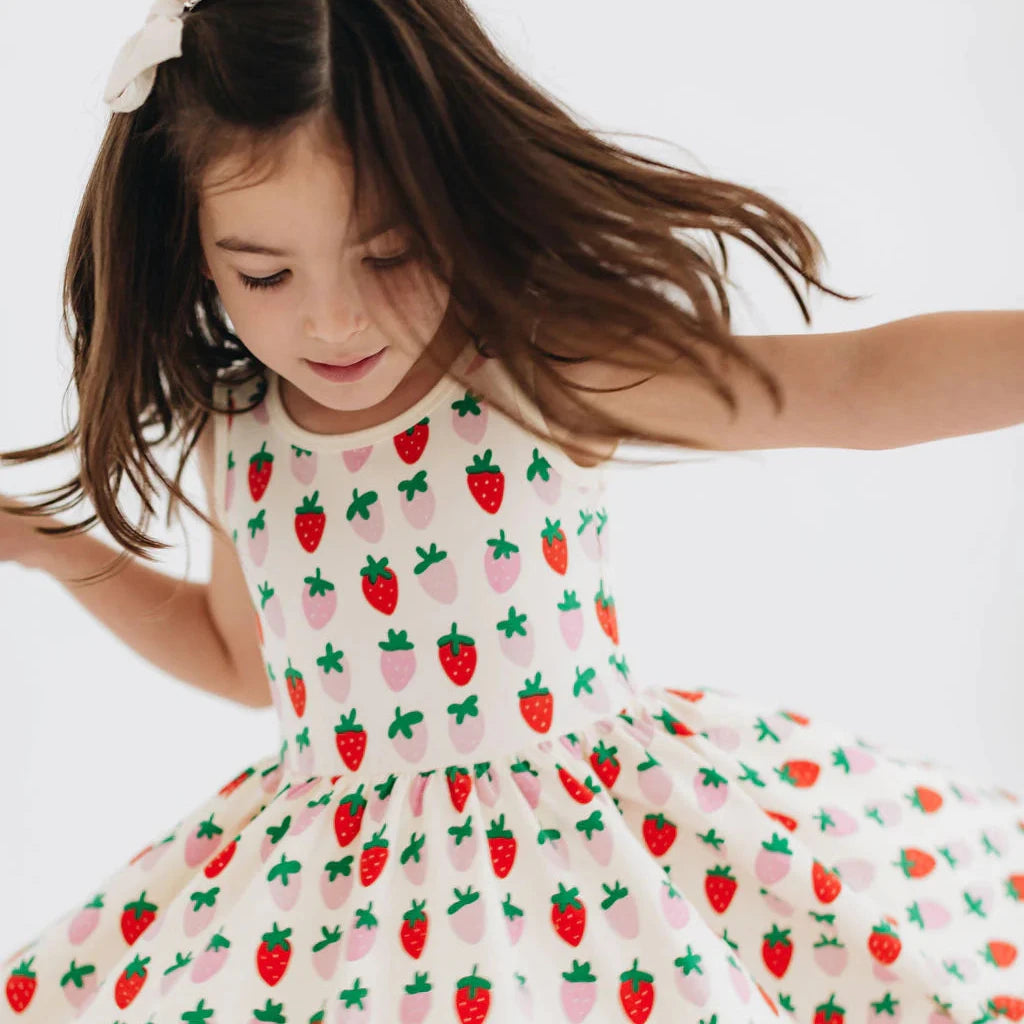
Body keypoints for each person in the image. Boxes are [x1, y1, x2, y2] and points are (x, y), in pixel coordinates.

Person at [1, 0, 1021, 1020]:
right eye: (263, 273)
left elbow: (848, 384)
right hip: (336, 917)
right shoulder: (239, 429)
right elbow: (240, 658)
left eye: (389, 251)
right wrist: (48, 545)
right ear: (192, 244)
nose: (332, 316)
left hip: (596, 873)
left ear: (454, 192)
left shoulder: (536, 372)